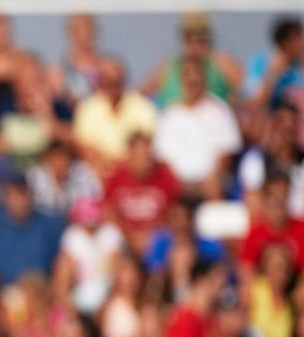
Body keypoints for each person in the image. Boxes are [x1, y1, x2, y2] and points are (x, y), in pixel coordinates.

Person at [154, 57, 242, 200]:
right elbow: (162, 158)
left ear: (205, 78)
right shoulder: (169, 115)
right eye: (188, 74)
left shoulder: (219, 110)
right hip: (178, 183)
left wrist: (213, 176)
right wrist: (177, 181)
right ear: (182, 79)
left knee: (215, 186)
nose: (193, 79)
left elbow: (227, 151)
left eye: (197, 74)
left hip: (211, 182)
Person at [72, 56, 157, 175]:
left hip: (133, 176)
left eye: (117, 80)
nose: (113, 84)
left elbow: (147, 146)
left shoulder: (142, 106)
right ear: (101, 81)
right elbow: (84, 149)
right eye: (109, 80)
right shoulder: (88, 108)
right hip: (99, 175)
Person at [141, 12, 242, 107]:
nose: (195, 47)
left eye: (201, 41)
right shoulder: (168, 66)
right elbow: (141, 94)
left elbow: (242, 94)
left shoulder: (222, 63)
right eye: (190, 41)